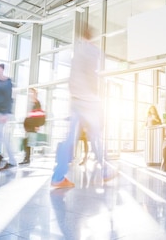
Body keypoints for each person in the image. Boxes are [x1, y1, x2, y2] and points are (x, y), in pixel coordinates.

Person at [51, 25, 115, 188]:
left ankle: (58, 176)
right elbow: (92, 75)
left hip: (75, 99)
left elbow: (73, 78)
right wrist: (95, 96)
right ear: (91, 36)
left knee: (70, 139)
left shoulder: (77, 50)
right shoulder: (91, 51)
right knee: (95, 136)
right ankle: (106, 170)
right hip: (88, 100)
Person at [20, 88, 45, 165]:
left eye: (32, 93)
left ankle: (27, 159)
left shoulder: (37, 104)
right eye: (30, 93)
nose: (31, 95)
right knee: (27, 142)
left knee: (27, 142)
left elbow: (39, 115)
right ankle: (27, 158)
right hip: (29, 126)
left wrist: (37, 125)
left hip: (33, 126)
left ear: (35, 94)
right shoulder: (32, 104)